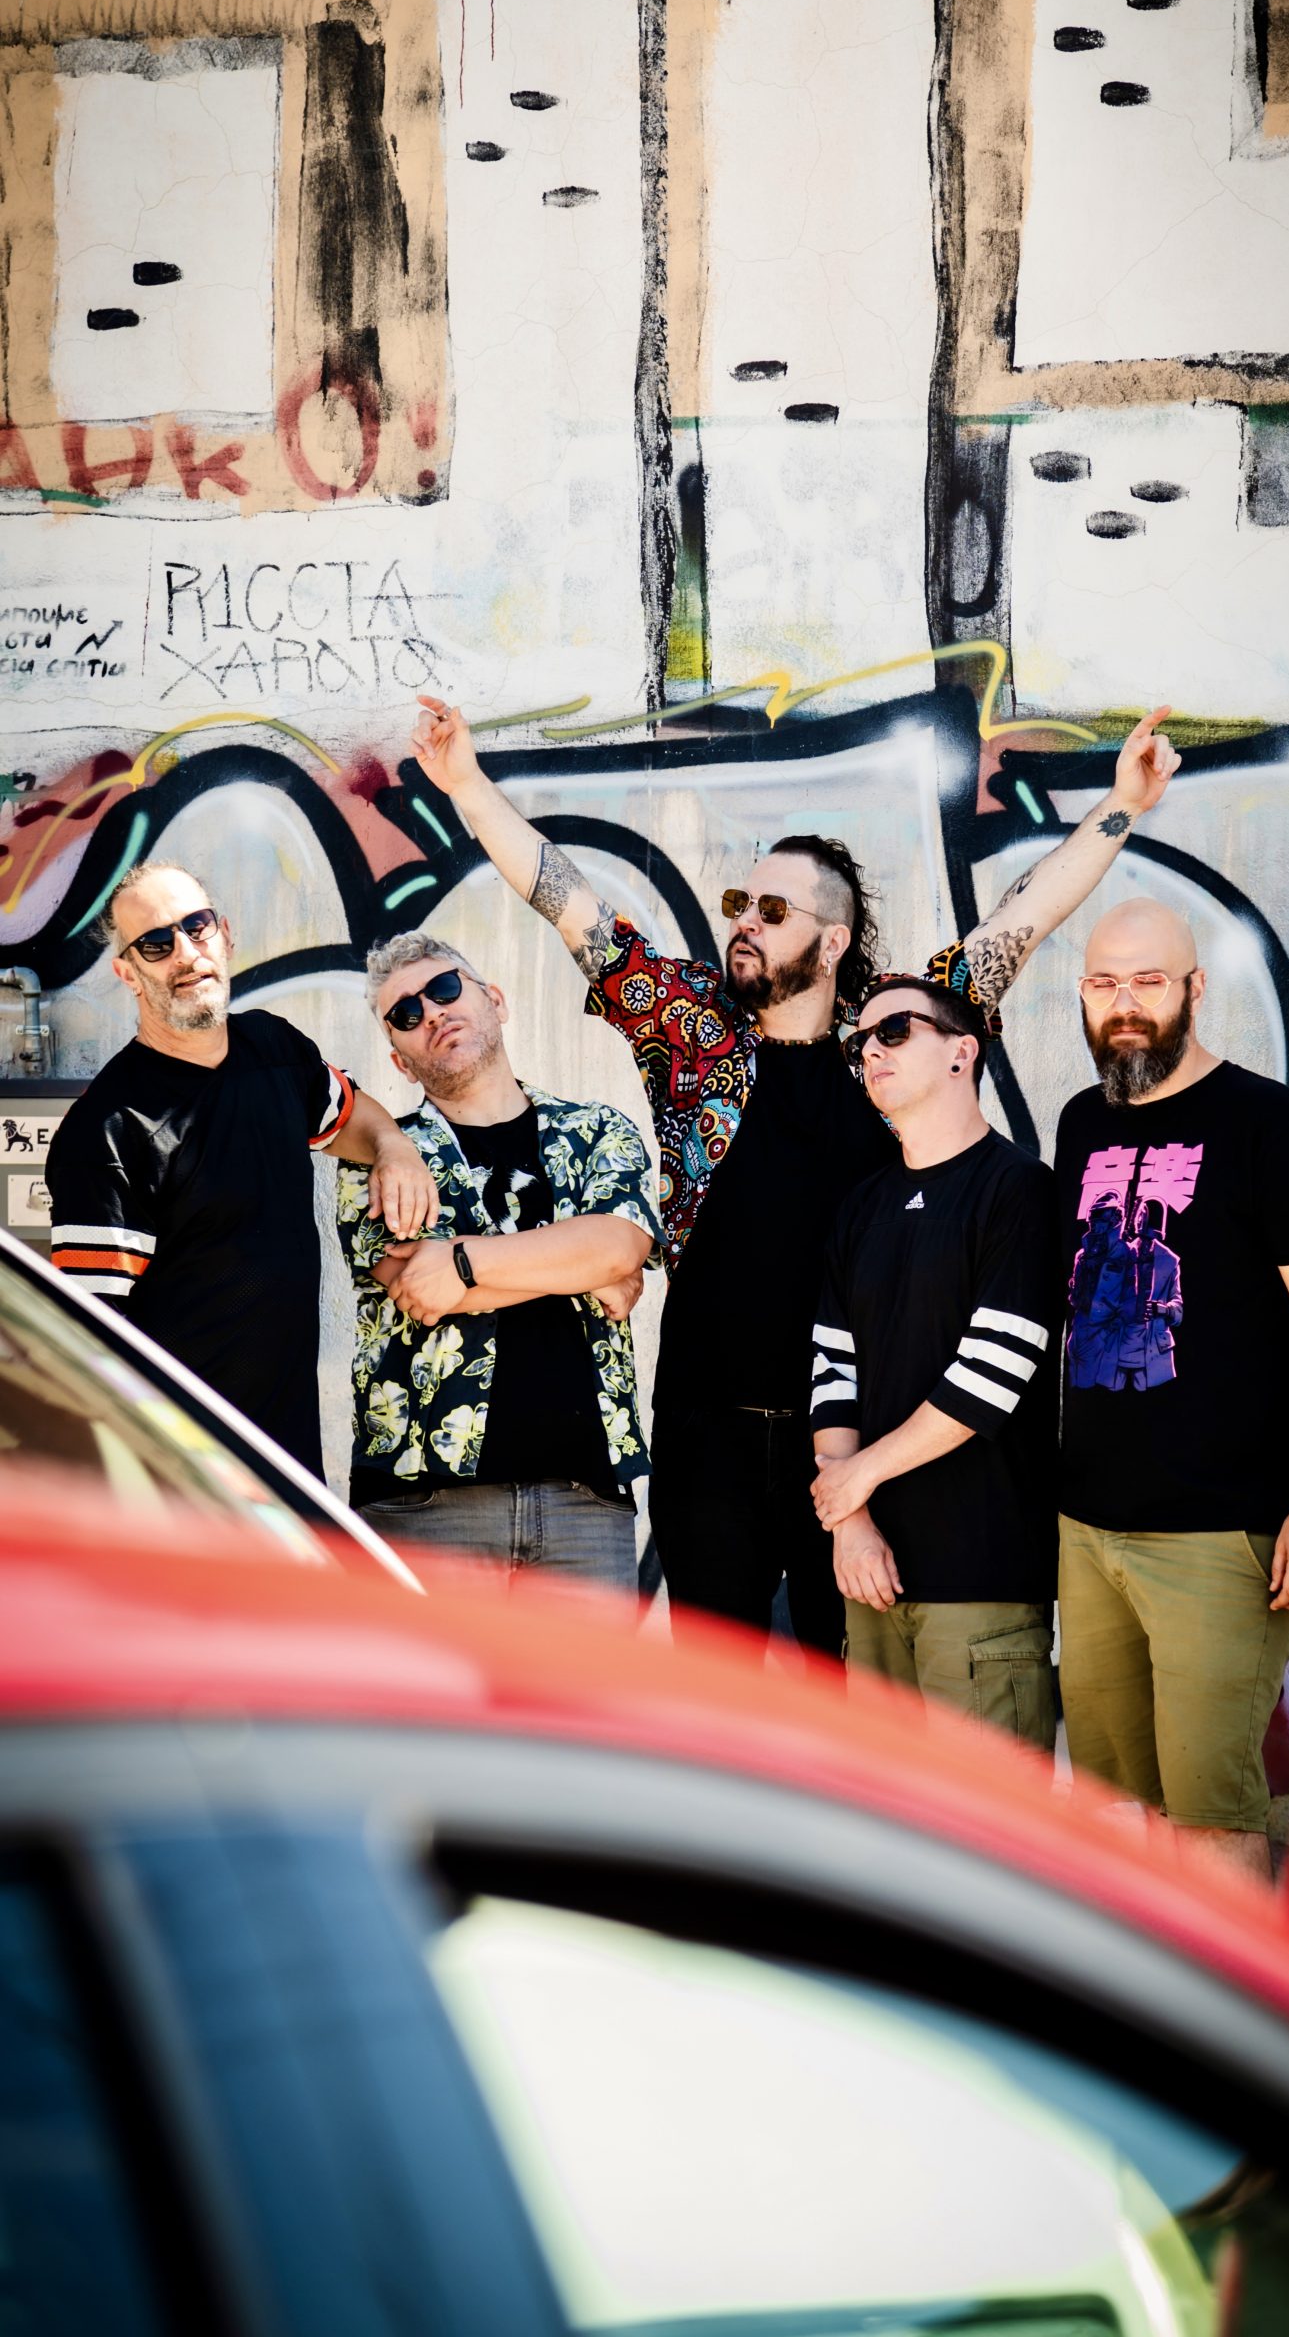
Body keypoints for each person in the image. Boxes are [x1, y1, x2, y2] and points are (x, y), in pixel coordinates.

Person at [407, 695, 1179, 1654]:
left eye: (773, 912)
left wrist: (1122, 804)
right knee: (713, 1701)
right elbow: (569, 903)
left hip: (852, 1443)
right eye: (740, 905)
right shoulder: (689, 1030)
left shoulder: (894, 1037)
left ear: (834, 939)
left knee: (841, 1689)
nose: (746, 923)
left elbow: (1019, 921)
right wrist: (466, 785)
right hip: (708, 1433)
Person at [1054, 897, 1289, 1880]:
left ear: (1195, 988)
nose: (1125, 1004)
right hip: (1088, 1531)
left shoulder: (1270, 1124)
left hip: (1221, 1538)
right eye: (1105, 983)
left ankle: (1234, 1983)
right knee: (1121, 1808)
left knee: (1214, 1818)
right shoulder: (1079, 1123)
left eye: (1149, 981)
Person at [46, 858, 437, 1480]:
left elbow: (350, 1117)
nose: (185, 952)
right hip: (183, 1487)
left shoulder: (274, 1050)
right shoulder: (109, 1132)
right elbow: (88, 1353)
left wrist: (393, 1146)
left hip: (290, 1473)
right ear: (127, 973)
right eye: (155, 943)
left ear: (224, 935)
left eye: (196, 926)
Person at [336, 931, 664, 1588]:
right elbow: (418, 1289)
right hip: (423, 1503)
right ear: (400, 1061)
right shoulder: (380, 1157)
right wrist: (577, 1267)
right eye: (406, 1014)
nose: (432, 1012)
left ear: (496, 1000)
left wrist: (459, 1261)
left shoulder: (599, 1130)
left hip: (585, 1501)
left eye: (445, 989)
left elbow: (620, 1246)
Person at [810, 976, 1058, 1743]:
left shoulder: (1020, 1191)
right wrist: (850, 1522)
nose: (869, 1052)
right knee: (877, 1814)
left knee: (986, 1814)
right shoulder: (860, 1207)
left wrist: (856, 1479)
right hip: (870, 1579)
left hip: (979, 1583)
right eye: (859, 1042)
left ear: (961, 1053)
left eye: (894, 1031)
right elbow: (832, 1374)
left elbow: (993, 1374)